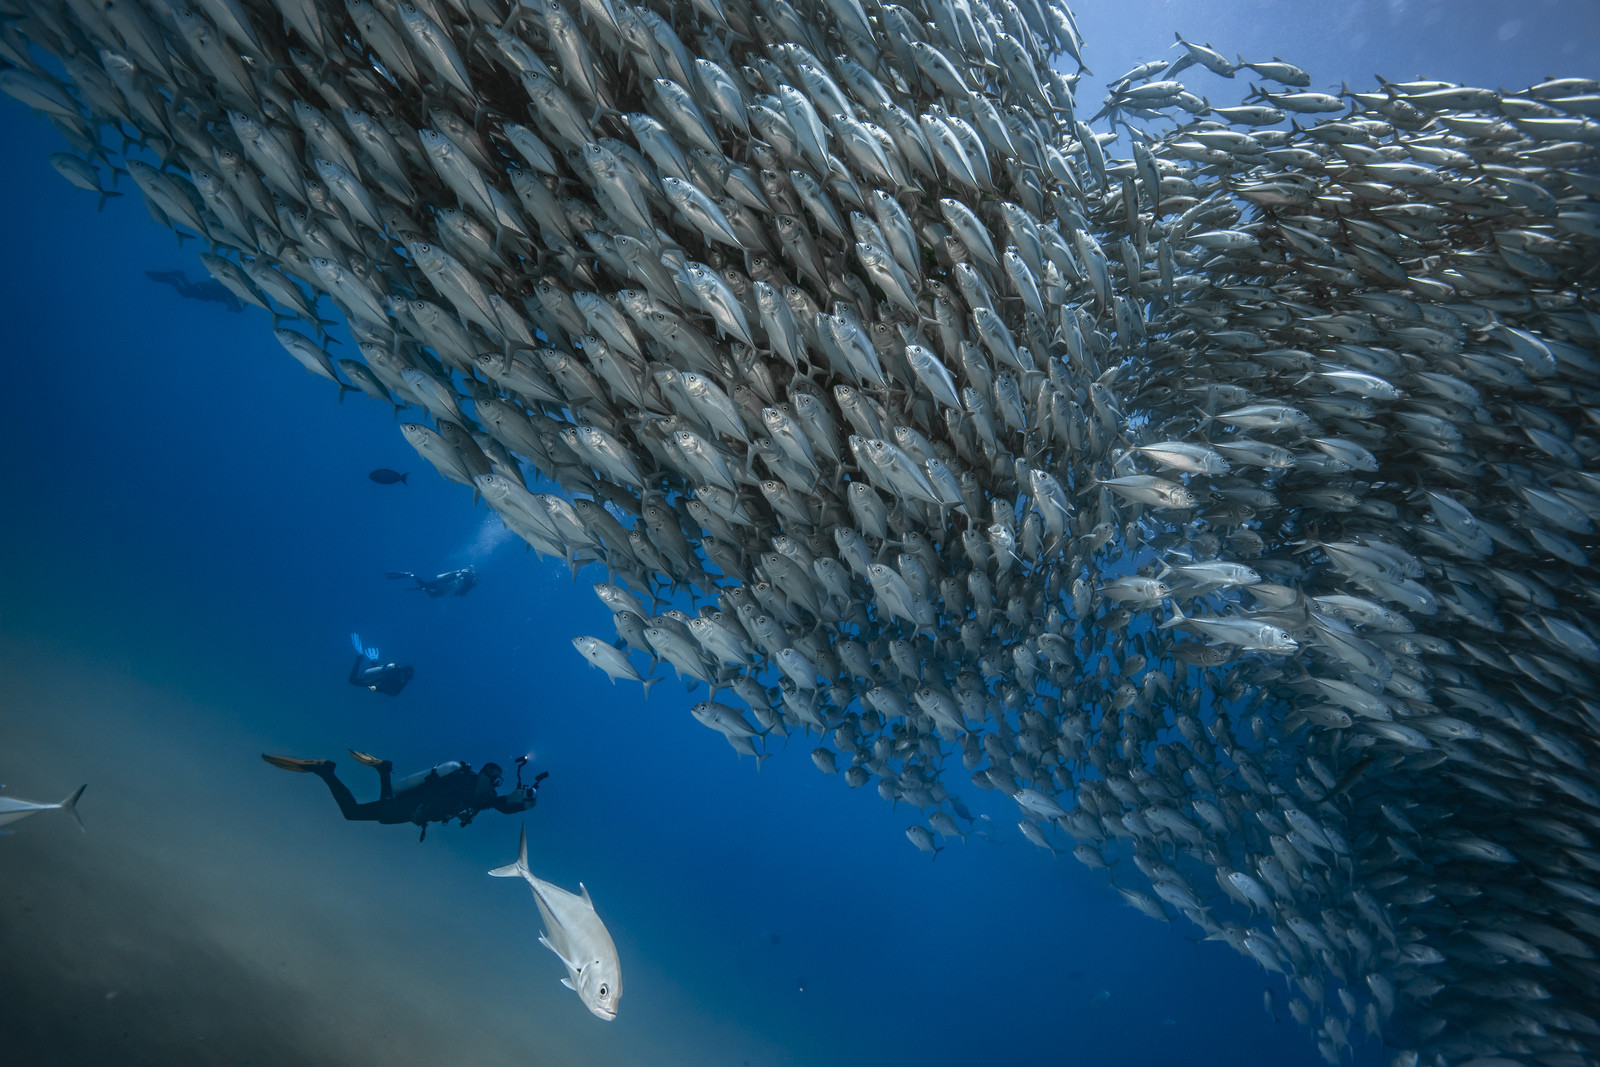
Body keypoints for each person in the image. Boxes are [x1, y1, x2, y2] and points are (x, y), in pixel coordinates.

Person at [262, 750, 548, 841]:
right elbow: (503, 805)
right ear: (490, 777)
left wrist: (527, 801)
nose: (493, 784)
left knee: (370, 809)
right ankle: (327, 771)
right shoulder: (471, 787)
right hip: (411, 808)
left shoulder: (477, 790)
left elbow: (505, 806)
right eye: (494, 779)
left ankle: (377, 770)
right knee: (353, 812)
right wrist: (524, 800)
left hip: (412, 810)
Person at [348, 633, 413, 696]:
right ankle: (360, 658)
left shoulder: (404, 680)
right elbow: (383, 675)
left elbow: (394, 693)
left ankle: (366, 659)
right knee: (352, 680)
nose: (404, 677)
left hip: (379, 679)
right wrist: (375, 688)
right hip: (379, 678)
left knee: (354, 680)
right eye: (405, 675)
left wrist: (375, 688)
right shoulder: (399, 675)